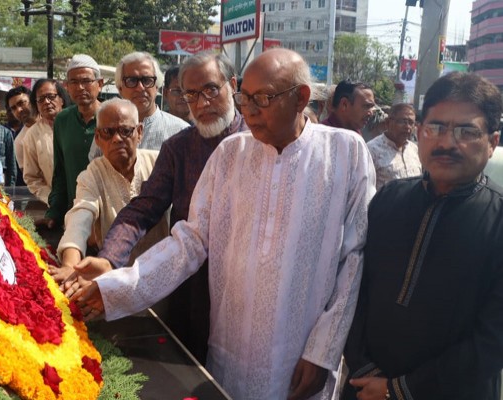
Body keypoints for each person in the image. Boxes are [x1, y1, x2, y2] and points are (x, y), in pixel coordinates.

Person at [69, 48, 375, 399]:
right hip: (232, 348)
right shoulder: (231, 154)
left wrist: (323, 351)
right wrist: (117, 287)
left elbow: (354, 259)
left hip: (300, 355)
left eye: (263, 98)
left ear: (301, 97)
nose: (251, 110)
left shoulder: (345, 153)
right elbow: (190, 241)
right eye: (247, 98)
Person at [66, 51, 247, 364]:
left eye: (211, 90)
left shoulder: (257, 142)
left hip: (245, 285)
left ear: (232, 85)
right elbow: (142, 210)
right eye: (191, 94)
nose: (201, 103)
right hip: (190, 285)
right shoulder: (179, 147)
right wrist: (109, 261)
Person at [343, 72, 503, 400]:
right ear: (419, 134)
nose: (446, 143)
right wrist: (364, 371)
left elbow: (493, 341)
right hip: (364, 387)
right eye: (435, 127)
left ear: (492, 142)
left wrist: (400, 390)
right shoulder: (387, 201)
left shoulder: (498, 220)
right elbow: (353, 290)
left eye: (467, 131)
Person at [52, 98, 169, 283]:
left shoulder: (160, 163)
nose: (116, 139)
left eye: (125, 131)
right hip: (114, 281)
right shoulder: (92, 174)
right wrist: (69, 266)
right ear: (97, 138)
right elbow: (80, 218)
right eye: (108, 132)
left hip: (163, 278)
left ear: (139, 133)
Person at [38, 54, 103, 229]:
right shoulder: (63, 120)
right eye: (73, 82)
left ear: (100, 84)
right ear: (66, 87)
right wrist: (54, 213)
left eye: (86, 81)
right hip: (74, 216)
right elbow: (60, 174)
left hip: (107, 216)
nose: (80, 87)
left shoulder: (113, 116)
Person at [88, 52, 188, 160]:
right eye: (132, 81)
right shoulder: (107, 130)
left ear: (157, 86)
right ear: (120, 88)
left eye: (147, 80)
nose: (140, 88)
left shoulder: (181, 133)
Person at [18, 79, 70, 205]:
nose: (46, 102)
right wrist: (52, 199)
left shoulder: (77, 123)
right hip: (58, 205)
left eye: (51, 97)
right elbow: (32, 178)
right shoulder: (32, 135)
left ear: (62, 99)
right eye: (41, 99)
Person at [366, 103, 421, 191]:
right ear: (388, 122)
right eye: (403, 121)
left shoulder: (414, 149)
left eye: (411, 123)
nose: (407, 127)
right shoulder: (372, 150)